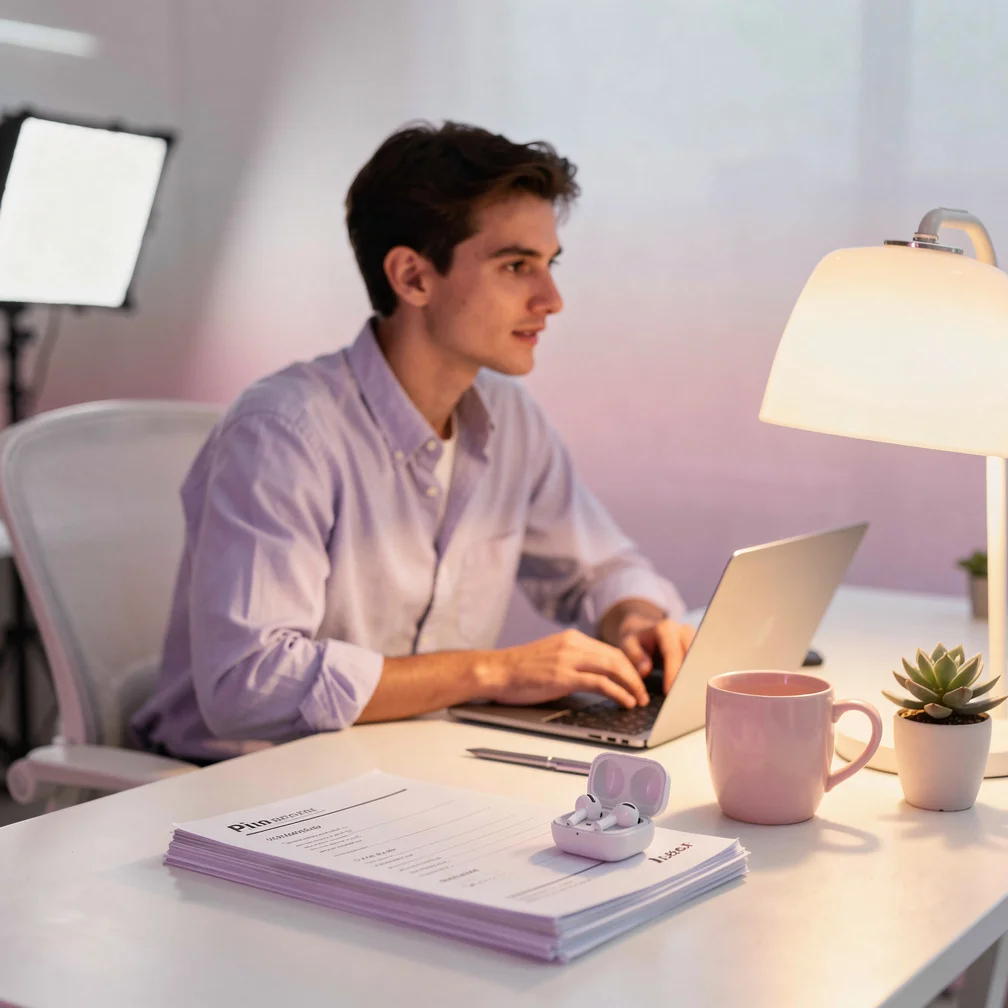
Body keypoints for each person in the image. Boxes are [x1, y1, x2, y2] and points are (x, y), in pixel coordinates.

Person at [132, 121, 695, 763]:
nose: (552, 299)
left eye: (550, 265)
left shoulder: (510, 420)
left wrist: (636, 618)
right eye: (517, 266)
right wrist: (495, 673)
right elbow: (248, 684)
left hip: (400, 768)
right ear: (413, 277)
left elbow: (598, 567)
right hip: (233, 785)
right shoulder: (282, 433)